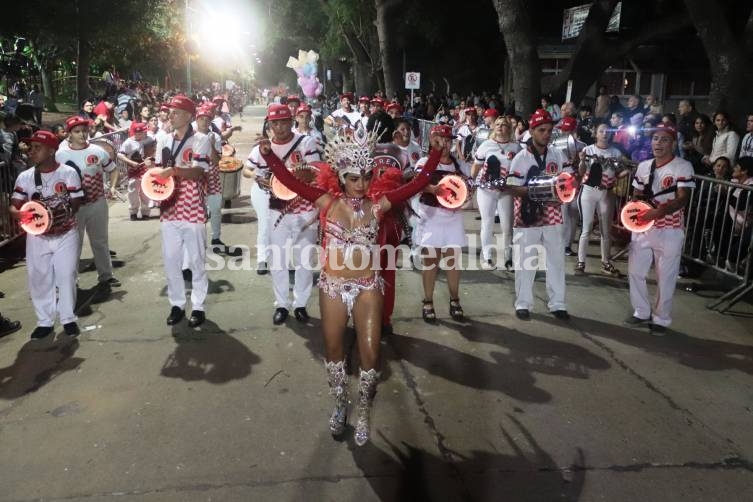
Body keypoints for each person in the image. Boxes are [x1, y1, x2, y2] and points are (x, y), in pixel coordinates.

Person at [258, 125, 442, 446]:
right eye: (353, 178)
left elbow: (420, 182)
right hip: (333, 287)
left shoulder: (379, 206)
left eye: (366, 177)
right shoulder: (327, 202)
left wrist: (437, 152)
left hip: (368, 286)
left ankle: (364, 407)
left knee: (370, 354)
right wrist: (268, 156)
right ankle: (340, 404)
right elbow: (289, 181)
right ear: (342, 177)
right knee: (334, 351)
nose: (361, 184)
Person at [246, 104, 321, 324]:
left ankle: (300, 304)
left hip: (304, 209)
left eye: (283, 122)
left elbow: (316, 171)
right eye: (274, 123)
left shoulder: (305, 142)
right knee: (277, 260)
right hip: (276, 208)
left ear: (292, 121)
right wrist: (257, 177)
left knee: (303, 261)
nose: (279, 127)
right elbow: (248, 168)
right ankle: (281, 303)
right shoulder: (264, 147)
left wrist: (288, 177)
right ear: (269, 125)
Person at [10, 130, 84, 338]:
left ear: (52, 150)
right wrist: (20, 214)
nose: (31, 151)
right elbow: (14, 206)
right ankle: (45, 321)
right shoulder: (25, 177)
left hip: (65, 233)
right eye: (30, 147)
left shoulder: (68, 173)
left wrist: (60, 207)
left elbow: (77, 202)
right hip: (37, 236)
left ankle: (68, 318)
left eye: (37, 148)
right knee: (39, 277)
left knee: (66, 275)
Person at [504, 109, 572, 321]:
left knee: (556, 260)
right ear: (532, 131)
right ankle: (523, 303)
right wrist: (540, 190)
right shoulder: (521, 158)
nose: (546, 134)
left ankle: (558, 304)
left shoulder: (558, 154)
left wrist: (570, 184)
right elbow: (511, 187)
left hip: (553, 214)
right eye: (542, 130)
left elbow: (568, 180)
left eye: (549, 130)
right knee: (526, 261)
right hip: (527, 216)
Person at [626, 123, 694, 334]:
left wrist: (659, 212)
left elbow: (683, 199)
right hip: (644, 227)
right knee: (635, 270)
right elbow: (637, 194)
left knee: (666, 276)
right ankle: (641, 310)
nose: (659, 143)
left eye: (664, 139)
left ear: (673, 144)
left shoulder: (683, 166)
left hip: (670, 228)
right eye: (656, 139)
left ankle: (661, 319)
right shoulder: (644, 166)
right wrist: (634, 209)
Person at [153, 95, 212, 327]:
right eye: (170, 112)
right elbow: (160, 170)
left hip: (193, 208)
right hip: (169, 207)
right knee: (171, 260)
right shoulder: (163, 139)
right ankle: (177, 304)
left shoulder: (201, 139)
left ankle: (198, 306)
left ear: (188, 115)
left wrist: (174, 171)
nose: (171, 116)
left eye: (176, 112)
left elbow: (198, 172)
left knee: (196, 261)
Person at [56, 116, 121, 288]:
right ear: (69, 134)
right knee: (72, 244)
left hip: (97, 203)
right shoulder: (60, 155)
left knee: (100, 241)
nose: (82, 134)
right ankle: (71, 280)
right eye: (77, 131)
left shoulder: (98, 151)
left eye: (84, 130)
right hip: (73, 208)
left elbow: (113, 171)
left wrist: (112, 187)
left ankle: (106, 275)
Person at [575, 123, 629, 276]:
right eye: (601, 131)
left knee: (606, 230)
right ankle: (581, 262)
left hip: (606, 193)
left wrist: (626, 171)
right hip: (589, 190)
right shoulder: (588, 150)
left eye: (607, 131)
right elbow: (581, 171)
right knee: (587, 227)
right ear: (595, 133)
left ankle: (606, 262)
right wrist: (581, 160)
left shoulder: (616, 152)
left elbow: (618, 173)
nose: (604, 134)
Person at [471, 116, 520, 270]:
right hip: (486, 189)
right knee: (487, 222)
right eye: (497, 124)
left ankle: (508, 258)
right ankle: (487, 257)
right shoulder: (486, 145)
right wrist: (471, 183)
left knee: (507, 226)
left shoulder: (516, 147)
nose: (500, 127)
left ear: (509, 129)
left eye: (504, 124)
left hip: (506, 190)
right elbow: (475, 168)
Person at [117, 122, 153, 220]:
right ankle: (133, 212)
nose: (142, 134)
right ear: (135, 132)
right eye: (140, 133)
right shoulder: (129, 142)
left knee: (145, 190)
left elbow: (154, 150)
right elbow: (120, 155)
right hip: (133, 169)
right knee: (133, 190)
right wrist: (131, 162)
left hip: (145, 168)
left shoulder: (148, 140)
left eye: (143, 132)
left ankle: (145, 212)